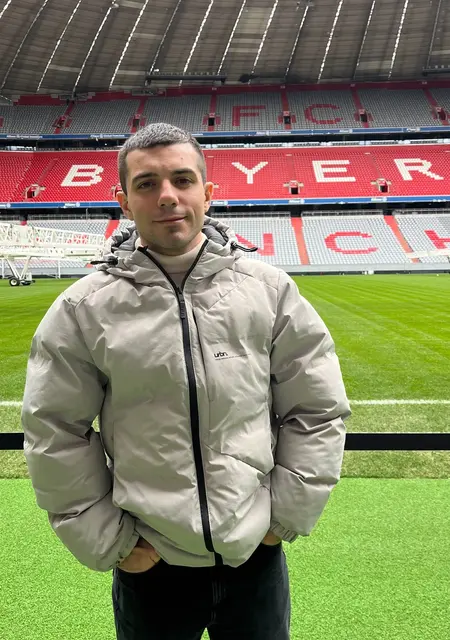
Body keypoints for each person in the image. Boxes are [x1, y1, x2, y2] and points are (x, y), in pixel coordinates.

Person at [22, 123, 351, 640]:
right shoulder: (83, 309)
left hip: (255, 556)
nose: (167, 196)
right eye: (147, 183)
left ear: (207, 192)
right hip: (148, 563)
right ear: (123, 202)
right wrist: (110, 541)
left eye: (182, 179)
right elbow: (54, 430)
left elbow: (317, 409)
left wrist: (283, 517)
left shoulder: (269, 292)